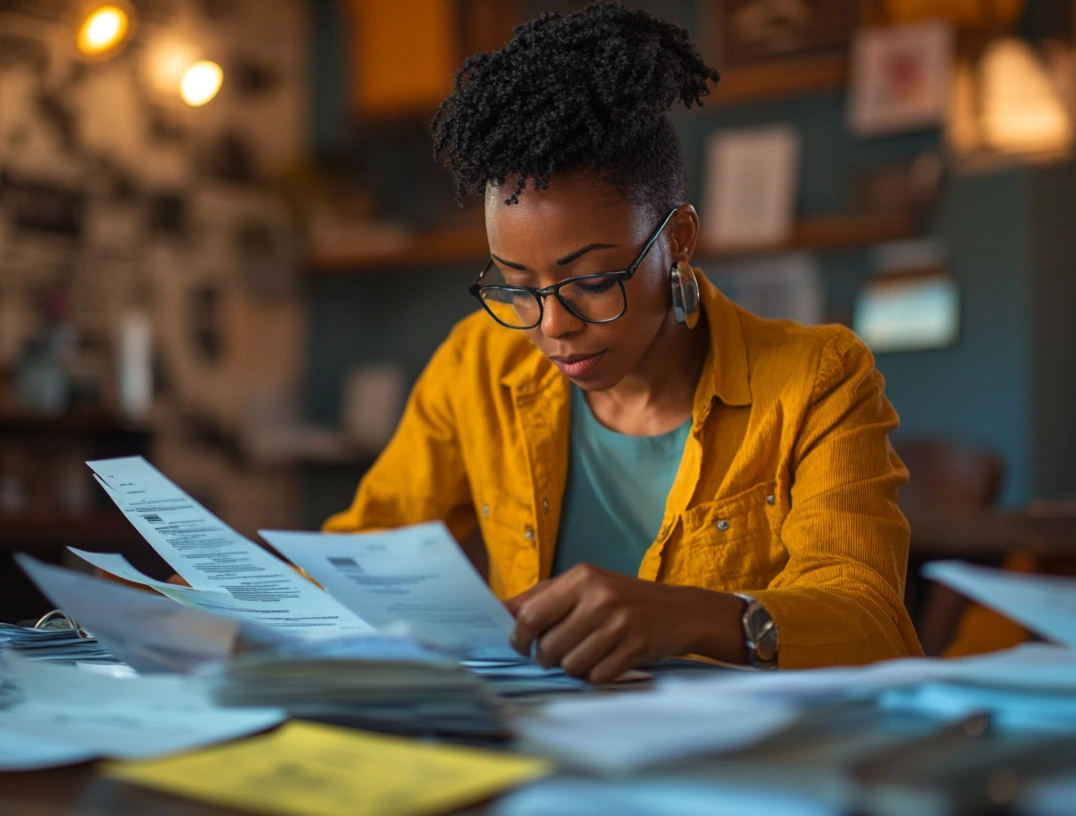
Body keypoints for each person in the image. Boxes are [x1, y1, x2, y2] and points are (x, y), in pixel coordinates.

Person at [325, 2, 923, 680]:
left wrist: (694, 616)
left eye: (592, 279)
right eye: (518, 285)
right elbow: (366, 553)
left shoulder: (818, 379)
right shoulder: (478, 363)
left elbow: (871, 621)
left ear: (677, 241)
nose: (552, 325)